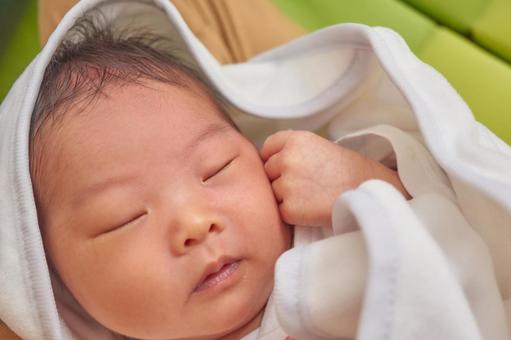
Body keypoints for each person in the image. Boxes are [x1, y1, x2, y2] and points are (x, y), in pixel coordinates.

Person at [27, 15, 410, 340]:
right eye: (124, 218)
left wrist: (365, 185)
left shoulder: (334, 233)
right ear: (58, 287)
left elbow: (458, 232)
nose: (195, 223)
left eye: (216, 168)